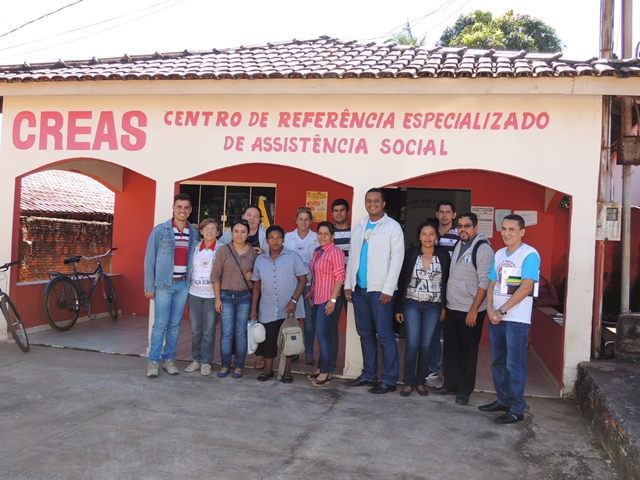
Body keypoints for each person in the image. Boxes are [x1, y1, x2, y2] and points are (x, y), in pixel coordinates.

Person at [479, 214, 540, 424]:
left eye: (512, 229)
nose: (506, 233)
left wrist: (502, 310)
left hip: (516, 320)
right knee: (498, 362)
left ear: (522, 232)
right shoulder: (499, 253)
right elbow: (490, 283)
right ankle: (503, 400)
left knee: (514, 364)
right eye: (503, 229)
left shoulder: (529, 254)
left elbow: (526, 287)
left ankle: (516, 408)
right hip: (496, 318)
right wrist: (488, 308)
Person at [344, 188, 404, 394]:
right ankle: (369, 374)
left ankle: (389, 380)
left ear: (383, 203)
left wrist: (388, 289)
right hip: (360, 289)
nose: (372, 204)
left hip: (380, 291)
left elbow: (397, 261)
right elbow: (352, 257)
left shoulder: (393, 227)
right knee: (365, 334)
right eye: (368, 201)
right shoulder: (360, 226)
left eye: (376, 201)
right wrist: (348, 284)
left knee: (385, 336)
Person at [433, 212, 494, 405]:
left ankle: (464, 390)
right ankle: (450, 383)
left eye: (467, 226)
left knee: (468, 350)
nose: (463, 229)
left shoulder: (483, 249)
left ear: (476, 228)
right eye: (460, 226)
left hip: (471, 310)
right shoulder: (459, 244)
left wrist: (474, 309)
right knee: (451, 348)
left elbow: (485, 282)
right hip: (453, 307)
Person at [144, 193, 198, 378]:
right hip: (163, 285)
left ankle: (169, 359)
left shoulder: (194, 232)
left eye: (186, 207)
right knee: (160, 323)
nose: (182, 211)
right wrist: (149, 286)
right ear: (174, 208)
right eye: (179, 207)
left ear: (190, 210)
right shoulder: (160, 231)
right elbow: (149, 260)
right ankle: (153, 361)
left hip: (183, 284)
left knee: (174, 324)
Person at [395, 221, 450, 397]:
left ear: (436, 236)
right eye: (424, 234)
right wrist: (399, 307)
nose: (427, 237)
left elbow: (446, 283)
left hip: (434, 306)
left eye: (431, 234)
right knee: (412, 344)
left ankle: (421, 382)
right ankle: (408, 382)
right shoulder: (411, 254)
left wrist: (444, 306)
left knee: (426, 345)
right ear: (419, 236)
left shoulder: (443, 256)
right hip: (412, 304)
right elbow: (401, 280)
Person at [250, 225, 308, 383]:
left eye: (278, 237)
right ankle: (268, 370)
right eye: (272, 238)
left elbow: (303, 279)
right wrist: (254, 308)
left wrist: (294, 300)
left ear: (283, 240)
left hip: (289, 307)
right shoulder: (260, 260)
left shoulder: (293, 257)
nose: (275, 240)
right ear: (266, 241)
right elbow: (256, 286)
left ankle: (287, 372)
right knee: (268, 340)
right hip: (267, 307)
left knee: (289, 340)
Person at [220, 204, 268, 369]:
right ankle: (233, 357)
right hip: (235, 289)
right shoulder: (230, 234)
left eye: (256, 216)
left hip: (259, 288)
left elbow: (273, 257)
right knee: (233, 327)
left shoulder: (265, 234)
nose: (252, 218)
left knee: (258, 321)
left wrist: (264, 255)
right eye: (249, 214)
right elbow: (222, 253)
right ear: (243, 215)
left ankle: (259, 356)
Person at [211, 218, 257, 379]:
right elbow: (215, 276)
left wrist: (253, 276)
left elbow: (258, 278)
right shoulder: (223, 250)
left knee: (241, 334)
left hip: (244, 296)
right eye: (236, 231)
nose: (239, 234)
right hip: (226, 296)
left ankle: (239, 366)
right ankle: (225, 365)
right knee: (226, 333)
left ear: (248, 233)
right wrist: (217, 299)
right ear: (231, 233)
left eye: (243, 231)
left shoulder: (254, 252)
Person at [306, 222, 345, 387]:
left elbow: (340, 277)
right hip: (317, 297)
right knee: (321, 333)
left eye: (326, 234)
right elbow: (316, 275)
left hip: (329, 299)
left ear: (332, 236)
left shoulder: (335, 252)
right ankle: (322, 366)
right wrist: (311, 293)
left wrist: (333, 300)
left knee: (322, 333)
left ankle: (326, 371)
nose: (322, 236)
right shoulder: (318, 252)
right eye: (320, 233)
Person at [184, 218, 222, 377]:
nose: (209, 232)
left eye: (213, 229)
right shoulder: (194, 247)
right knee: (195, 330)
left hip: (212, 295)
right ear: (201, 231)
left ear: (218, 233)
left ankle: (206, 361)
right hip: (194, 294)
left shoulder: (221, 249)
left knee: (208, 330)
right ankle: (196, 359)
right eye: (206, 228)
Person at [428, 200, 460, 380]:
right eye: (441, 212)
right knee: (432, 330)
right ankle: (433, 366)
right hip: (431, 288)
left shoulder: (458, 236)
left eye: (448, 212)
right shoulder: (431, 233)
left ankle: (449, 369)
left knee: (450, 332)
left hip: (451, 288)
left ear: (453, 215)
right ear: (437, 214)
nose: (445, 215)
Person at [284, 206, 319, 366]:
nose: (303, 222)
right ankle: (294, 350)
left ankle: (310, 354)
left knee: (309, 321)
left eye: (307, 219)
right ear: (296, 221)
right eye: (300, 219)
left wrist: (315, 288)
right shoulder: (288, 238)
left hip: (311, 285)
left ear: (311, 221)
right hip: (292, 286)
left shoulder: (316, 238)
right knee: (294, 320)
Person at [331, 198, 351, 366]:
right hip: (333, 285)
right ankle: (331, 360)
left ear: (347, 212)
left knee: (354, 322)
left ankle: (353, 361)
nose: (339, 213)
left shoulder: (356, 232)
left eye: (342, 210)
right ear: (332, 213)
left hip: (351, 283)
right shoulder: (328, 233)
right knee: (331, 324)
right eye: (336, 210)